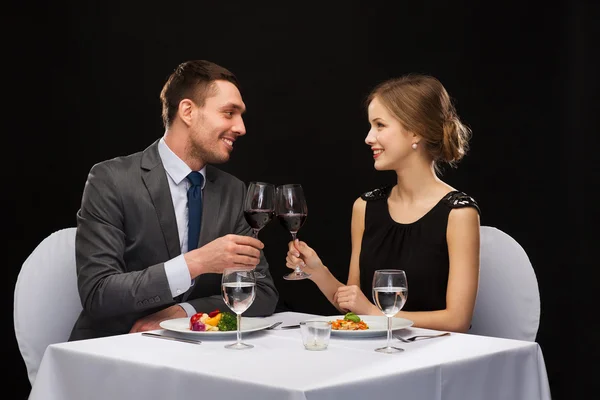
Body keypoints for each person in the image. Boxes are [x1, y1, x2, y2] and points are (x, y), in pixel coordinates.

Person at [69, 60, 278, 341]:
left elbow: (262, 293)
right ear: (188, 111)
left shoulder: (234, 191)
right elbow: (98, 293)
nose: (240, 127)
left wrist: (185, 312)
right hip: (117, 351)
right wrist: (197, 263)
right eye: (229, 113)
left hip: (201, 355)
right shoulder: (111, 180)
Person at [286, 74, 480, 333]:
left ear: (415, 131)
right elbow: (354, 308)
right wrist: (317, 272)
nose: (368, 138)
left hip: (433, 358)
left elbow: (457, 320)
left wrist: (374, 313)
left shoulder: (459, 213)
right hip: (374, 353)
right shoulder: (365, 207)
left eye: (379, 125)